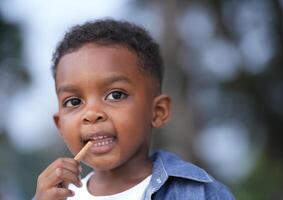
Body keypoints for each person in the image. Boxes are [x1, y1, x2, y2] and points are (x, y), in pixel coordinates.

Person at [34, 19, 235, 200]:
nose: (92, 114)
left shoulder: (197, 194)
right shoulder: (58, 198)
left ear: (158, 111)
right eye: (74, 102)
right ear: (60, 125)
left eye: (116, 95)